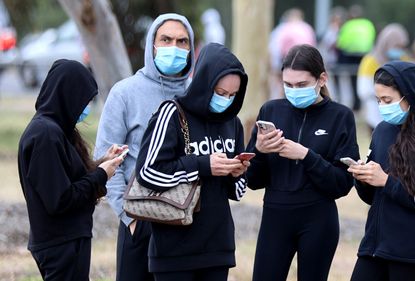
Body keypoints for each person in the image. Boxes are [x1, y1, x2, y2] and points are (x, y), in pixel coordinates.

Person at [93, 13, 195, 281]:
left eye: (182, 41)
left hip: (187, 222)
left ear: (191, 48)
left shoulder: (196, 94)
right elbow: (105, 160)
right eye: (166, 39)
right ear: (152, 44)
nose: (174, 47)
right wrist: (130, 220)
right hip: (140, 220)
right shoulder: (125, 93)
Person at [135, 43, 248, 281]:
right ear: (204, 82)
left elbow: (238, 192)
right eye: (220, 92)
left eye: (232, 95)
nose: (225, 100)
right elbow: (147, 173)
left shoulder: (232, 123)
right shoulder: (172, 113)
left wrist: (236, 173)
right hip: (174, 249)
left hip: (219, 247)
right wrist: (203, 166)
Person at [246, 44, 360, 281]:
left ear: (322, 79)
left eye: (301, 85)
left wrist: (306, 156)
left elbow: (342, 184)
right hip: (275, 216)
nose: (294, 91)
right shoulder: (271, 110)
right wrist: (259, 151)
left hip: (318, 219)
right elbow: (252, 181)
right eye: (288, 85)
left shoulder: (341, 116)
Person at [17, 59, 125, 280]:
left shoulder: (57, 130)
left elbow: (69, 178)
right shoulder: (45, 135)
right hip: (60, 244)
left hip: (67, 240)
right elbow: (61, 199)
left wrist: (103, 162)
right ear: (67, 94)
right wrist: (101, 174)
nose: (85, 107)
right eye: (84, 99)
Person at [348, 61, 415, 281]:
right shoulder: (381, 130)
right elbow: (370, 197)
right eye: (378, 100)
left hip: (409, 254)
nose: (382, 106)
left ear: (410, 96)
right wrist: (362, 178)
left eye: (388, 100)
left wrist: (386, 181)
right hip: (373, 246)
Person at [357, 23, 410, 133]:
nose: (399, 50)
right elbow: (364, 90)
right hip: (375, 114)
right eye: (396, 46)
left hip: (401, 115)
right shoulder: (371, 61)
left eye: (402, 47)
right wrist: (386, 98)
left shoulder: (404, 59)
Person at [333, 5, 376, 111]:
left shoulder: (347, 25)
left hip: (350, 55)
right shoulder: (368, 24)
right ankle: (359, 104)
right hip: (364, 55)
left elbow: (340, 43)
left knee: (349, 77)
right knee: (360, 79)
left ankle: (348, 102)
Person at [268, 8, 317, 100]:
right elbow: (313, 46)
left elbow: (275, 47)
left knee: (286, 84)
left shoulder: (283, 28)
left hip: (287, 60)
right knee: (303, 82)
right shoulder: (307, 28)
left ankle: (285, 101)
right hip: (306, 59)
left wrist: (274, 65)